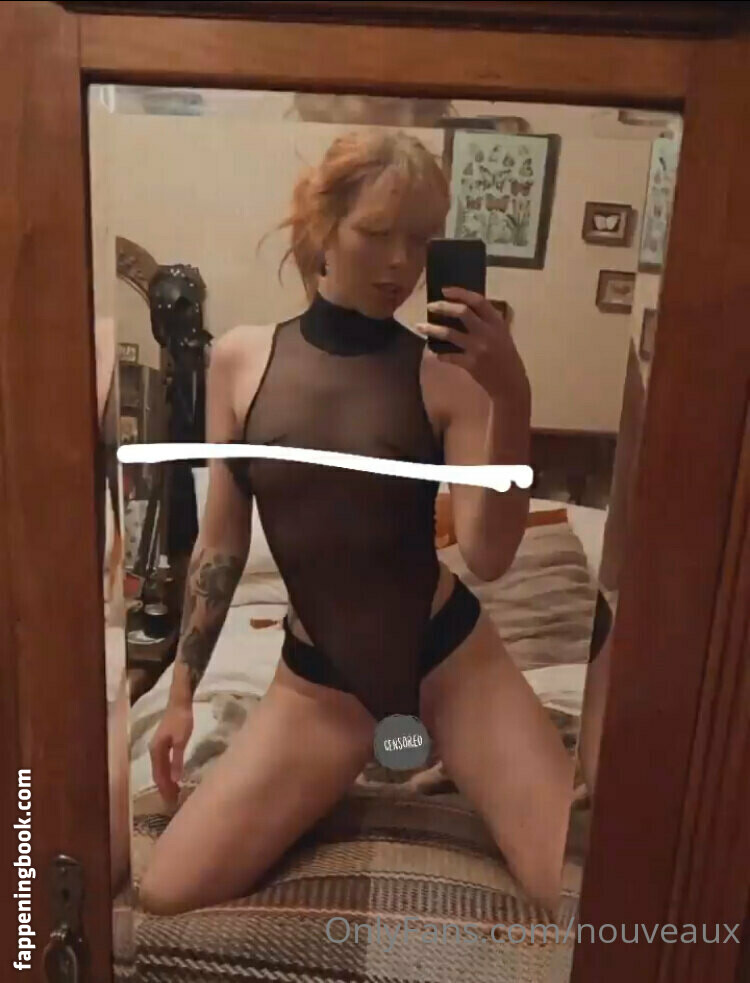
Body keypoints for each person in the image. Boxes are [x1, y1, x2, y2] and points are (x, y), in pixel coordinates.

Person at [139, 130, 575, 917]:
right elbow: (222, 542)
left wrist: (512, 396)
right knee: (166, 888)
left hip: (447, 662)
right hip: (321, 688)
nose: (401, 263)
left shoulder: (449, 375)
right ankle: (371, 761)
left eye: (421, 240)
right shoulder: (240, 362)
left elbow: (488, 551)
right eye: (377, 233)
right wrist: (179, 693)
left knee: (577, 889)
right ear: (322, 225)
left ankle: (438, 750)